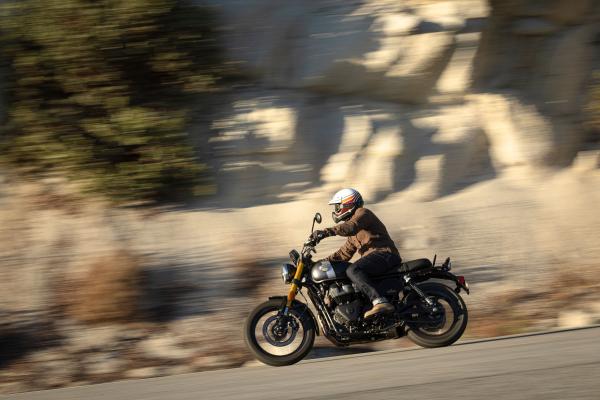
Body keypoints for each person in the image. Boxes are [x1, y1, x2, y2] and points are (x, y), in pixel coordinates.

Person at [311, 188, 402, 319]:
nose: (336, 210)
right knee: (349, 275)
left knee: (353, 269)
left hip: (385, 254)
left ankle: (379, 301)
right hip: (377, 259)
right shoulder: (353, 236)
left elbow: (351, 226)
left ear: (348, 204)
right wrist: (319, 263)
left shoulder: (363, 213)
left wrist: (326, 232)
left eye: (338, 206)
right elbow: (343, 254)